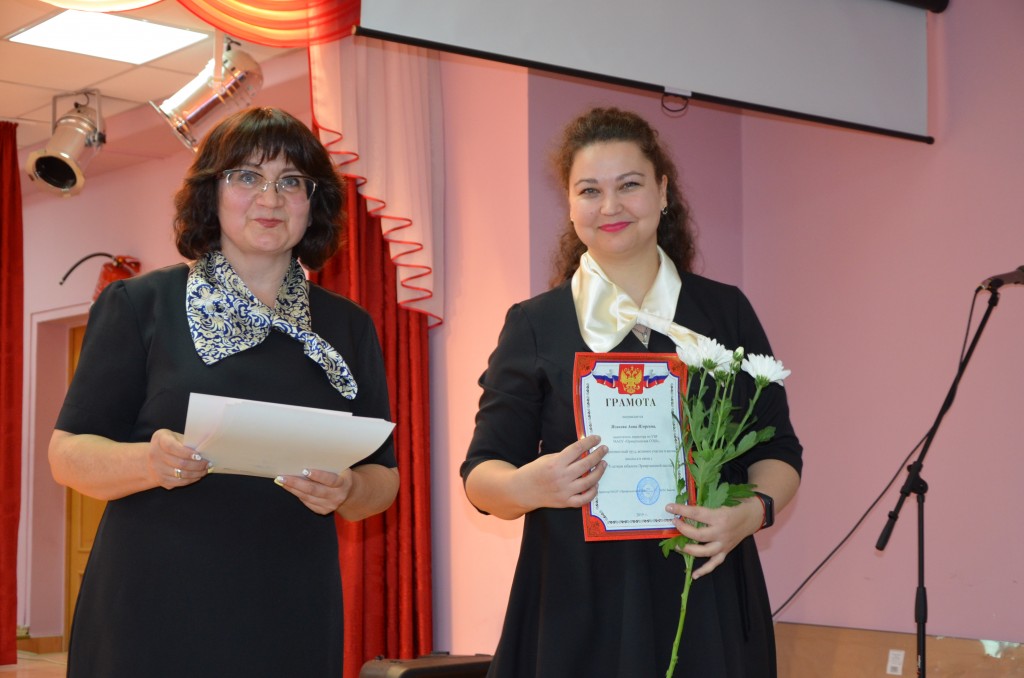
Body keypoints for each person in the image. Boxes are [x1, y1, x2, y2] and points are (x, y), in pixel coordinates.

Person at [49, 107, 399, 677]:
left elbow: (382, 478)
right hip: (152, 609)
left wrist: (349, 489)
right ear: (211, 193)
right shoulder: (140, 305)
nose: (270, 198)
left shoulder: (348, 327)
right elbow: (67, 455)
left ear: (314, 203)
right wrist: (148, 463)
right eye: (246, 177)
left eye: (291, 181)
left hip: (292, 607)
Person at [461, 107, 802, 677]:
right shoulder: (535, 324)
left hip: (705, 593)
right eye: (589, 190)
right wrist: (530, 484)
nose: (610, 206)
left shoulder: (725, 312)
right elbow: (481, 473)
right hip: (576, 603)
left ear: (663, 192)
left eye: (629, 185)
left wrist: (750, 513)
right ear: (571, 206)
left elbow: (779, 451)